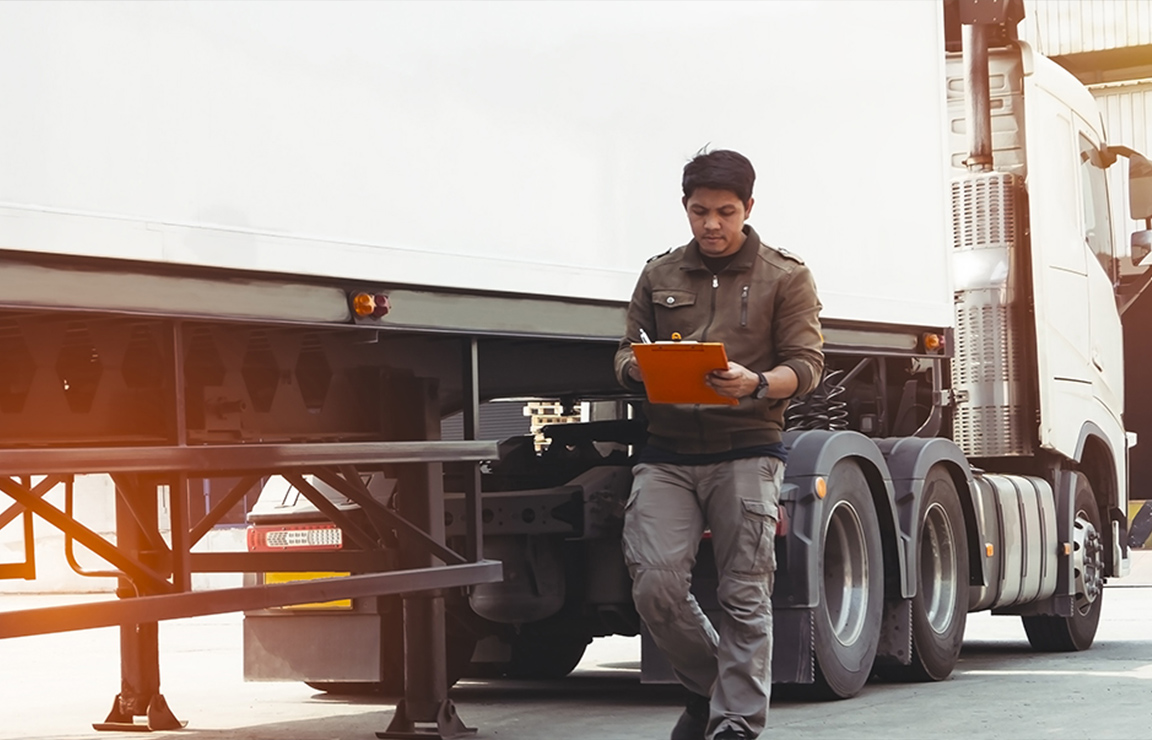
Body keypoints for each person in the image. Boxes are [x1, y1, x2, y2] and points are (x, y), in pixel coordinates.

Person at [614, 149, 823, 740]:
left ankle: (735, 725)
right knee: (653, 584)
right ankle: (713, 691)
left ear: (748, 208)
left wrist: (756, 383)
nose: (712, 224)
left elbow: (806, 365)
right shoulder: (659, 275)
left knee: (744, 593)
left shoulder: (786, 276)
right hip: (668, 451)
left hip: (747, 446)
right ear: (685, 208)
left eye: (725, 212)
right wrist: (644, 370)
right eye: (700, 211)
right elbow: (625, 350)